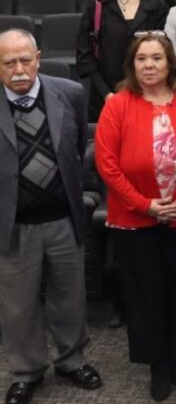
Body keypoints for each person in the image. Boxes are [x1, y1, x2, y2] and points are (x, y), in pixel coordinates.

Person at [94, 33, 176, 401]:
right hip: (134, 217)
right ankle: (156, 364)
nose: (149, 65)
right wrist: (144, 204)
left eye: (157, 59)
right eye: (142, 59)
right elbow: (108, 165)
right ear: (132, 65)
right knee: (144, 292)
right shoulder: (117, 105)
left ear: (169, 64)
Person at [0, 29, 103, 404]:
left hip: (63, 217)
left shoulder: (70, 93)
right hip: (13, 224)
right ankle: (27, 370)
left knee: (69, 296)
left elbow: (75, 150)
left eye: (25, 60)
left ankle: (71, 360)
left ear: (39, 57)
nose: (19, 69)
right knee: (18, 304)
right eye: (8, 63)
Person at [77, 0, 169, 122]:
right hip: (105, 97)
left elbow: (166, 53)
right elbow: (85, 56)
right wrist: (107, 94)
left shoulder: (156, 5)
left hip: (149, 95)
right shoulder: (97, 6)